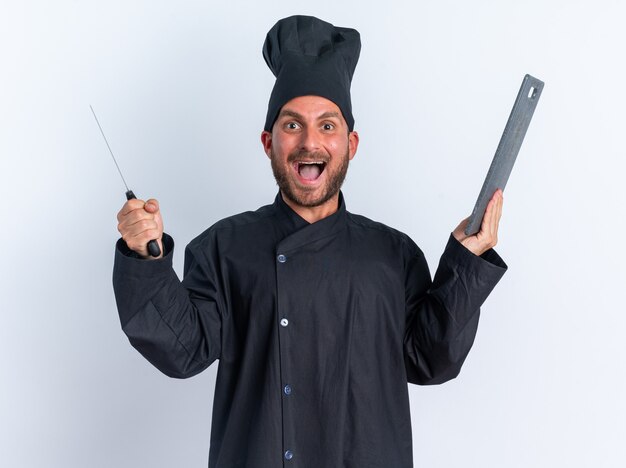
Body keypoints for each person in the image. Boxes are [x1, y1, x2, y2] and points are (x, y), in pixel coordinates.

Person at [113, 15, 507, 468]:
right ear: (268, 141)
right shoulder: (223, 248)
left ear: (351, 143)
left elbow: (430, 360)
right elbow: (182, 351)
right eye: (292, 125)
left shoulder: (394, 255)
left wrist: (465, 266)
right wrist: (145, 256)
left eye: (327, 126)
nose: (310, 143)